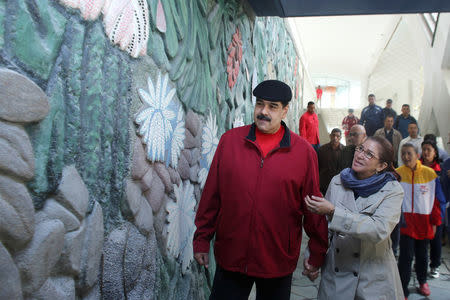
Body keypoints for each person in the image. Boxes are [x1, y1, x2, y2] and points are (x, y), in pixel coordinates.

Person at [193, 80, 328, 300]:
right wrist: (201, 239)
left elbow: (313, 205)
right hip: (231, 256)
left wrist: (317, 250)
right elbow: (212, 196)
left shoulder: (304, 153)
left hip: (277, 261)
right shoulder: (230, 142)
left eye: (272, 106)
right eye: (260, 104)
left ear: (285, 110)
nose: (263, 112)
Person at [305, 136, 405, 300]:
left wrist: (334, 212)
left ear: (381, 166)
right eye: (360, 149)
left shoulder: (392, 190)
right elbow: (325, 228)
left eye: (369, 154)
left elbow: (378, 229)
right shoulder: (338, 181)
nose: (359, 155)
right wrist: (313, 257)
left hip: (370, 279)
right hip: (336, 273)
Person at [396, 143, 442, 298]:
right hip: (405, 224)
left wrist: (435, 222)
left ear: (417, 154)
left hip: (424, 224)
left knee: (422, 255)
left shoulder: (430, 174)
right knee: (405, 257)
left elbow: (436, 201)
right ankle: (403, 289)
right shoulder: (397, 174)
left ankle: (423, 281)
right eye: (403, 154)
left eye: (409, 153)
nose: (406, 157)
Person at [420, 140, 447, 279]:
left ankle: (434, 265)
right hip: (420, 209)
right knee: (420, 241)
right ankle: (420, 264)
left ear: (435, 152)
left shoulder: (440, 169)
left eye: (429, 150)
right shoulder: (416, 167)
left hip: (437, 209)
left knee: (436, 240)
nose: (426, 152)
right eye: (424, 149)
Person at [318, 128, 344, 195]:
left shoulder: (344, 150)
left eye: (337, 136)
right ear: (330, 136)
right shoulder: (322, 149)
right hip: (324, 183)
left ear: (340, 138)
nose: (335, 138)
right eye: (333, 135)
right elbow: (317, 166)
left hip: (338, 183)